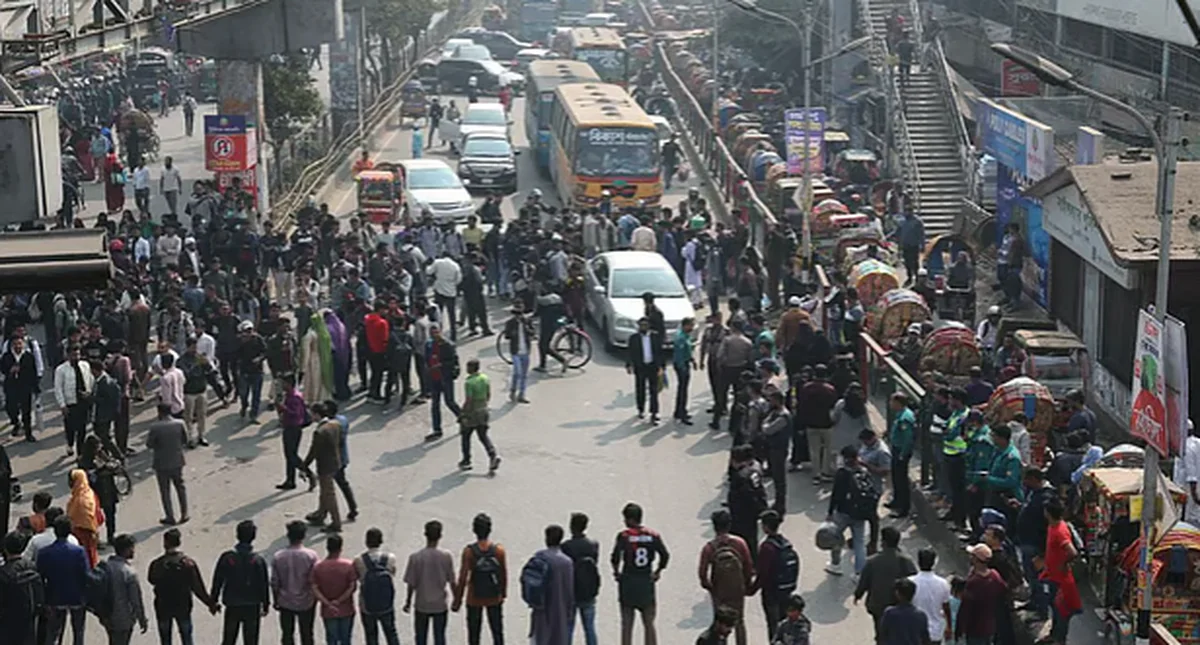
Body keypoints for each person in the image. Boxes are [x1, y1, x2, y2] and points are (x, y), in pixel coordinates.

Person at [611, 502, 670, 645]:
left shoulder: (624, 536)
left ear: (630, 519)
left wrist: (616, 573)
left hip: (628, 582)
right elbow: (665, 555)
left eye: (625, 518)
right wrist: (658, 571)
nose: (624, 521)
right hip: (645, 581)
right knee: (649, 623)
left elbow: (615, 557)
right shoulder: (653, 535)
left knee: (627, 625)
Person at [148, 528, 216, 645]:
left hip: (163, 607)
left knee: (165, 639)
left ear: (165, 543)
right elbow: (197, 587)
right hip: (183, 607)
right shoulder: (188, 564)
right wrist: (210, 603)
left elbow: (151, 579)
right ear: (179, 542)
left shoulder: (157, 564)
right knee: (187, 637)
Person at [211, 520, 271, 645]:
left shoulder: (227, 558)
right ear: (253, 537)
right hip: (252, 606)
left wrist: (213, 600)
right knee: (251, 641)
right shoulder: (258, 560)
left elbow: (218, 580)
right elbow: (263, 584)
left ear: (237, 535)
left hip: (232, 605)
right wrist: (265, 604)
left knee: (228, 640)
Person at [698, 508, 753, 645]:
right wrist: (745, 585)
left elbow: (702, 574)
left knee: (720, 623)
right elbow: (748, 566)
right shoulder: (740, 543)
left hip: (720, 591)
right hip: (737, 591)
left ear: (714, 526)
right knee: (739, 621)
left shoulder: (709, 548)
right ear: (729, 524)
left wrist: (711, 588)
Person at [854, 526, 917, 641]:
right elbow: (914, 580)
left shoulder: (872, 561)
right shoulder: (906, 561)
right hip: (898, 604)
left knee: (880, 632)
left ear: (883, 542)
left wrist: (858, 595)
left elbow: (864, 581)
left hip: (878, 604)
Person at [453, 513, 507, 645]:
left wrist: (457, 600)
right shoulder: (499, 550)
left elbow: (463, 577)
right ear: (490, 529)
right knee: (497, 633)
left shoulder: (469, 552)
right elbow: (503, 574)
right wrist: (503, 593)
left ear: (474, 530)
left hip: (474, 597)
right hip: (494, 597)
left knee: (474, 636)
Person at [35, 516, 87, 645]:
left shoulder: (44, 552)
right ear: (70, 531)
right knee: (78, 632)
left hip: (54, 597)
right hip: (76, 597)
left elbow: (40, 577)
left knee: (52, 633)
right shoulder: (79, 551)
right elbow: (85, 575)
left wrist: (43, 599)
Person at [402, 521, 453, 645]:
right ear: (440, 536)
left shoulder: (415, 557)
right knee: (440, 637)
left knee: (420, 638)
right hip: (440, 604)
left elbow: (411, 584)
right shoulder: (446, 556)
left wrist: (408, 602)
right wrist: (457, 600)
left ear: (425, 534)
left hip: (422, 604)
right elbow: (452, 580)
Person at [1040, 498, 1081, 645]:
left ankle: (1060, 639)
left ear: (1048, 513)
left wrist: (1063, 564)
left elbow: (1072, 552)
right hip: (1052, 576)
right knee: (1054, 607)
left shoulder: (1059, 531)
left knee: (1062, 611)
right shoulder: (1053, 526)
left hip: (1061, 580)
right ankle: (1054, 634)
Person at [271, 521, 320, 645]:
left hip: (285, 600)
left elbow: (275, 582)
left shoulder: (279, 556)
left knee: (287, 634)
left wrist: (275, 599)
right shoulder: (311, 556)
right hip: (307, 600)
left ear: (288, 535)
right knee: (307, 633)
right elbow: (315, 579)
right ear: (303, 536)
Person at [826, 446, 871, 577]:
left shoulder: (842, 473)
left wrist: (830, 512)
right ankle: (859, 573)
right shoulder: (864, 472)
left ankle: (835, 565)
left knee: (835, 538)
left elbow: (835, 495)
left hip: (843, 512)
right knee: (859, 543)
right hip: (860, 514)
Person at [756, 510, 799, 640]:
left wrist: (751, 589)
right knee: (785, 624)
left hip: (771, 593)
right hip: (786, 591)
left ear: (765, 527)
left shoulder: (767, 547)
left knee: (773, 626)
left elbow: (762, 573)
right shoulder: (786, 544)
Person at [531, 524, 576, 645]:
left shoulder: (539, 557)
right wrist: (570, 612)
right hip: (560, 609)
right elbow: (569, 591)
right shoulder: (567, 562)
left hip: (541, 608)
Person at [146, 403, 190, 525]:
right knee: (180, 487)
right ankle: (184, 513)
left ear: (159, 412)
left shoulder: (155, 427)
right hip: (177, 460)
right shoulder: (180, 423)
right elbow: (185, 440)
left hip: (161, 463)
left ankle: (170, 516)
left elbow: (149, 444)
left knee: (165, 491)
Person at [302, 405, 344, 533]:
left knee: (328, 493)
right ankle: (321, 514)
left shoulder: (319, 432)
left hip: (325, 465)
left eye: (312, 414)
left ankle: (336, 522)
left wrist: (304, 466)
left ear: (317, 414)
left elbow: (313, 451)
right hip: (335, 462)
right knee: (324, 491)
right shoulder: (336, 424)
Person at [956, 544, 1008, 645]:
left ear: (975, 559)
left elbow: (965, 608)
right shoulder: (995, 575)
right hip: (990, 625)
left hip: (975, 629)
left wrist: (959, 628)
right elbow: (1004, 591)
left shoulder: (974, 582)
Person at [311, 534, 358, 645]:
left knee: (331, 639)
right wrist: (339, 601)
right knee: (346, 639)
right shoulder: (348, 565)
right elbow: (352, 587)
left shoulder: (318, 567)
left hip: (328, 610)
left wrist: (327, 603)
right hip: (346, 608)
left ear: (327, 548)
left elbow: (314, 588)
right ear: (340, 548)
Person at [562, 512, 601, 645]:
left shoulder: (566, 546)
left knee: (568, 628)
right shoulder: (593, 544)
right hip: (588, 590)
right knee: (589, 628)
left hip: (571, 592)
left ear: (572, 527)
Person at [105, 534, 149, 645]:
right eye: (132, 548)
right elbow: (136, 600)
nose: (133, 550)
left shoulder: (105, 566)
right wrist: (142, 619)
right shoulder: (129, 572)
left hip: (107, 616)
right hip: (124, 619)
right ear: (126, 550)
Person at [459, 358, 500, 473]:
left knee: (465, 435)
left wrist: (463, 413)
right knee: (483, 436)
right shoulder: (484, 378)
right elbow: (488, 394)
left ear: (471, 368)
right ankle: (493, 455)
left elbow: (469, 400)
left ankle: (466, 460)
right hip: (483, 410)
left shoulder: (469, 382)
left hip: (473, 412)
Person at [423, 324, 462, 442]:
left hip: (445, 377)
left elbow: (453, 362)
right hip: (434, 378)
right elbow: (426, 358)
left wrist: (441, 365)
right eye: (432, 333)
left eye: (436, 332)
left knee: (449, 401)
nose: (435, 335)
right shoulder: (429, 344)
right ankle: (437, 429)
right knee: (435, 404)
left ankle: (464, 419)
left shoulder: (448, 345)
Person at [54, 344, 94, 457]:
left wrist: (89, 393)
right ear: (67, 355)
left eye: (77, 354)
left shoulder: (85, 365)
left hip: (83, 401)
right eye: (73, 355)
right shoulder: (61, 370)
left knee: (82, 428)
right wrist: (62, 405)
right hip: (70, 402)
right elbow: (58, 388)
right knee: (70, 426)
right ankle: (70, 443)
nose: (75, 357)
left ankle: (80, 452)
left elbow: (89, 379)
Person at [908, 549, 952, 645]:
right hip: (935, 632)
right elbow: (946, 607)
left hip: (914, 631)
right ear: (934, 563)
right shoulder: (943, 583)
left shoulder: (910, 582)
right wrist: (949, 627)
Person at [1, 335, 39, 442]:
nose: (18, 346)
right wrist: (10, 370)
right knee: (10, 407)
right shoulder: (7, 356)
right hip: (11, 387)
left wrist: (35, 387)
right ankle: (16, 421)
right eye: (15, 344)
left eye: (20, 344)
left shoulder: (28, 356)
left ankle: (28, 433)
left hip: (24, 387)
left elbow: (33, 372)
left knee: (26, 411)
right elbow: (2, 369)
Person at [626, 317, 664, 424]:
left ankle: (654, 413)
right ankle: (641, 409)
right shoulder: (634, 338)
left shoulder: (655, 337)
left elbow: (660, 352)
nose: (643, 327)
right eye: (641, 325)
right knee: (640, 389)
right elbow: (630, 353)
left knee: (654, 391)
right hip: (640, 367)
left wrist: (661, 367)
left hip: (652, 367)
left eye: (645, 325)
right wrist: (629, 365)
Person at [887, 392, 916, 518]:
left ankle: (903, 508)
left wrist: (903, 453)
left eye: (892, 401)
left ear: (898, 403)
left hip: (901, 451)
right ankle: (896, 500)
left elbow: (908, 438)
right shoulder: (900, 414)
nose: (890, 404)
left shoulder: (905, 417)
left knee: (901, 479)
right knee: (895, 476)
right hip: (896, 449)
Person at [66, 468, 101, 566]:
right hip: (90, 533)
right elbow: (99, 516)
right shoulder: (89, 493)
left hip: (82, 534)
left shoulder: (80, 500)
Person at [502, 303, 535, 403]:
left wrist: (526, 328)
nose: (519, 316)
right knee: (518, 372)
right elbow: (506, 336)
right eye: (516, 314)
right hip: (515, 351)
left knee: (524, 374)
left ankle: (521, 394)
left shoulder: (527, 321)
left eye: (520, 314)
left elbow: (532, 332)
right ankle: (513, 391)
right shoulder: (510, 323)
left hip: (525, 351)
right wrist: (512, 333)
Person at [878, 578, 927, 645]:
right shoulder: (921, 615)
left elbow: (883, 635)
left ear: (897, 593)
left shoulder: (890, 613)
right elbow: (924, 638)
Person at [673, 317, 697, 424]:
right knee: (683, 390)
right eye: (691, 325)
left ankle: (679, 411)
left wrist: (692, 360)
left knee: (683, 389)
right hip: (682, 365)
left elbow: (688, 350)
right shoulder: (680, 338)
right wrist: (682, 368)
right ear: (685, 325)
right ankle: (682, 414)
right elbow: (679, 355)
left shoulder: (685, 335)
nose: (692, 327)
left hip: (685, 363)